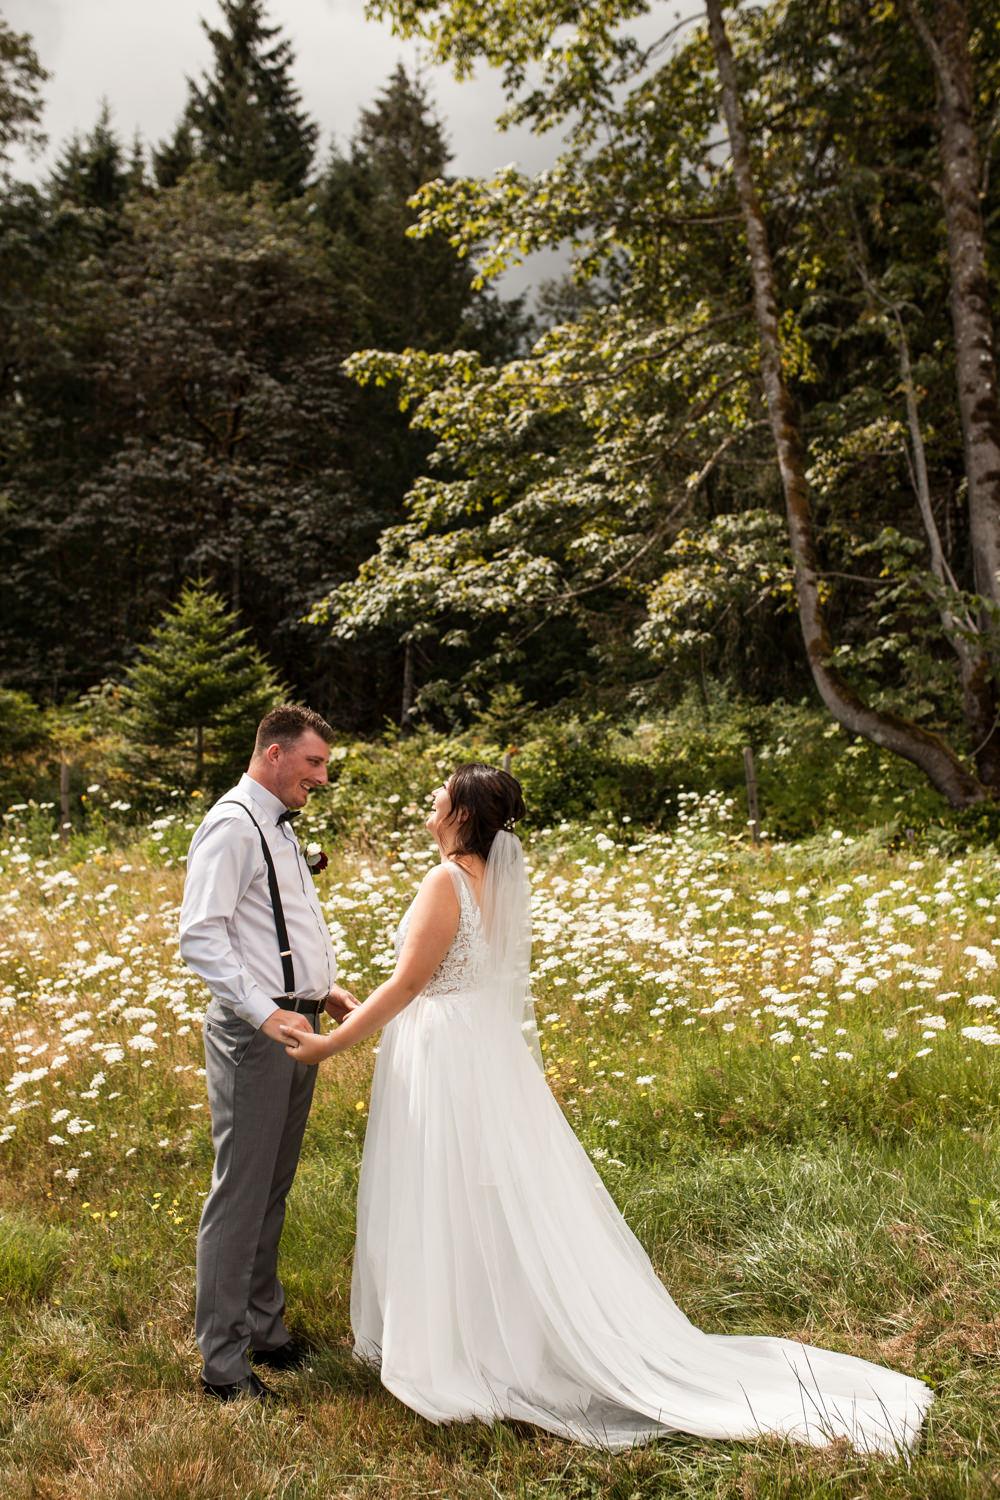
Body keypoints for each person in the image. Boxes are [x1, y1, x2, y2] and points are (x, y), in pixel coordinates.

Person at [280, 762, 933, 1455]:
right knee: (477, 1191)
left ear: (462, 813)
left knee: (445, 1186)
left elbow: (411, 983)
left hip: (445, 1050)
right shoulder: (490, 881)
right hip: (475, 1046)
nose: (429, 800)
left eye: (439, 794)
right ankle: (480, 1323)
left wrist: (332, 1045)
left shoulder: (447, 880)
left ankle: (463, 1341)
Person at [179, 703, 358, 1404]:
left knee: (271, 1188)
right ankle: (222, 1365)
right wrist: (268, 1013)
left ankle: (264, 1328)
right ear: (275, 753)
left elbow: (273, 928)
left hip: (296, 1026)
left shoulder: (277, 825)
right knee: (241, 1192)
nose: (322, 777)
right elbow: (201, 936)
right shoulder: (232, 825)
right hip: (257, 1036)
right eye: (314, 763)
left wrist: (325, 989)